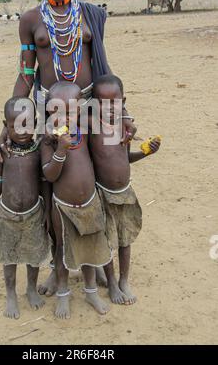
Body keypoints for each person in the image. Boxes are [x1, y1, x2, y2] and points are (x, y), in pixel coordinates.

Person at [0, 0, 136, 295]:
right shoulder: (30, 20)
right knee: (52, 187)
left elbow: (103, 69)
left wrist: (122, 113)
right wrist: (7, 125)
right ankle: (57, 268)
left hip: (89, 109)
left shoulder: (89, 14)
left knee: (96, 183)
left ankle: (97, 261)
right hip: (48, 111)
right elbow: (27, 74)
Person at [41, 82, 112, 319]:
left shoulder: (85, 133)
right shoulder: (48, 141)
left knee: (89, 250)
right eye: (58, 110)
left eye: (71, 110)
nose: (65, 116)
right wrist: (60, 149)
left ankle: (91, 291)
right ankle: (63, 293)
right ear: (50, 110)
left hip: (89, 203)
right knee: (62, 250)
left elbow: (102, 154)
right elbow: (50, 175)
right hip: (63, 208)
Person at [89, 75, 161, 305]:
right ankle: (111, 282)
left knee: (125, 240)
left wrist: (147, 152)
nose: (110, 107)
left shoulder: (124, 129)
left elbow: (125, 159)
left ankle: (124, 280)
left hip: (125, 193)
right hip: (103, 194)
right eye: (102, 101)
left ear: (123, 101)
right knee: (107, 241)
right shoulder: (93, 130)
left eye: (115, 101)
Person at [0, 97, 49, 319]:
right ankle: (11, 294)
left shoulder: (39, 150)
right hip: (7, 214)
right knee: (9, 256)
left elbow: (43, 185)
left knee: (34, 255)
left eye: (27, 123)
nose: (21, 130)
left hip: (33, 214)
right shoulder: (4, 152)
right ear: (6, 125)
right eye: (14, 126)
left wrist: (48, 211)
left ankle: (31, 288)